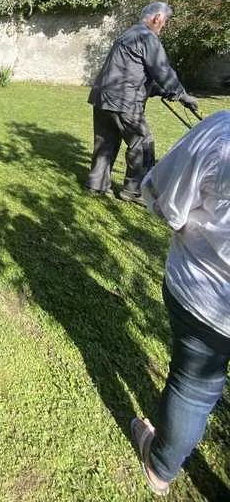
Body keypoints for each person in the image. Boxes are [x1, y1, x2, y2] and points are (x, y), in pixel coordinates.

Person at [131, 110, 230, 495]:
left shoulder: (220, 135)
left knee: (192, 387)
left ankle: (161, 466)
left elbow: (166, 202)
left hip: (205, 297)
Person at [85, 2, 198, 203]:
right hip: (124, 101)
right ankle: (134, 190)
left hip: (103, 97)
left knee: (106, 142)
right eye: (164, 22)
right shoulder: (147, 37)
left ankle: (97, 185)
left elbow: (132, 72)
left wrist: (161, 91)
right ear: (157, 19)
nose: (163, 26)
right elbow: (162, 70)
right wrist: (182, 95)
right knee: (142, 142)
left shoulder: (128, 34)